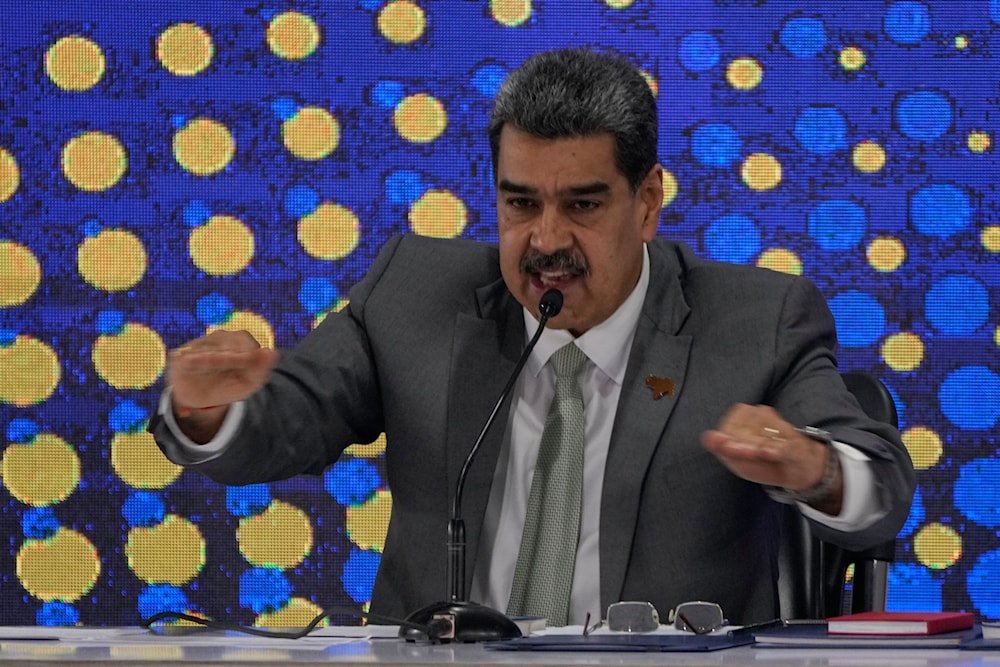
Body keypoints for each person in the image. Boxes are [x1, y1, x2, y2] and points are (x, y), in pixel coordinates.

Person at [150, 47, 915, 627]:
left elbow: (880, 489)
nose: (546, 239)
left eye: (583, 206)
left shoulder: (755, 321)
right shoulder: (414, 294)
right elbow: (290, 417)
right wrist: (210, 414)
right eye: (520, 203)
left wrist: (814, 465)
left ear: (647, 204)